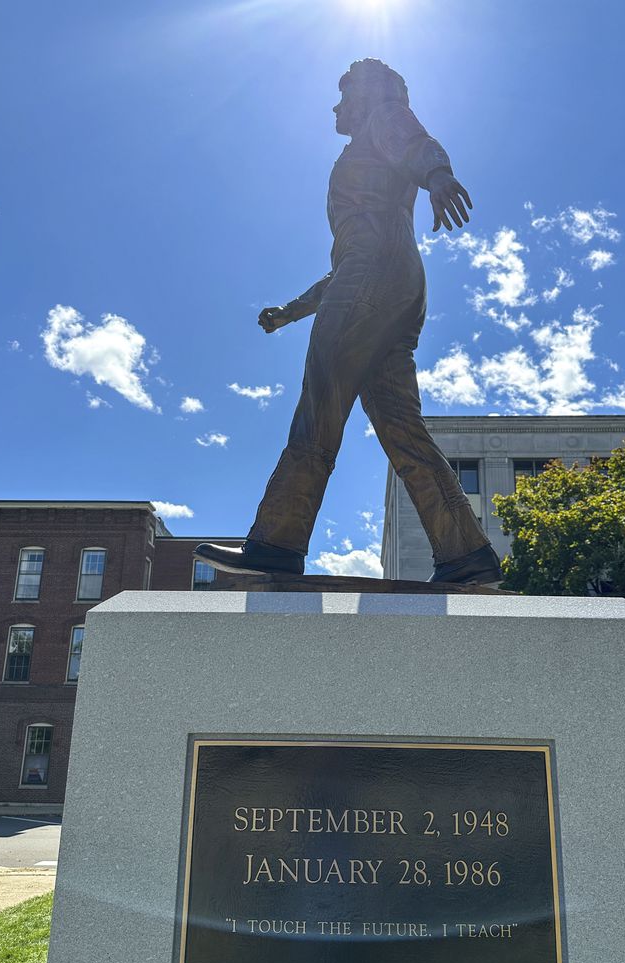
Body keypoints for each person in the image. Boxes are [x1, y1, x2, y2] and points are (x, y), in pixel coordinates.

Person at [196, 59, 502, 585]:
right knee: (404, 431)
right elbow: (342, 273)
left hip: (371, 277)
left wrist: (438, 175)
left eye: (344, 94)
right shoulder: (368, 148)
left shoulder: (384, 116)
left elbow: (415, 139)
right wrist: (291, 311)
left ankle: (277, 541)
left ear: (368, 95)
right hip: (391, 283)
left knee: (320, 408)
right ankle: (466, 553)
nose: (336, 106)